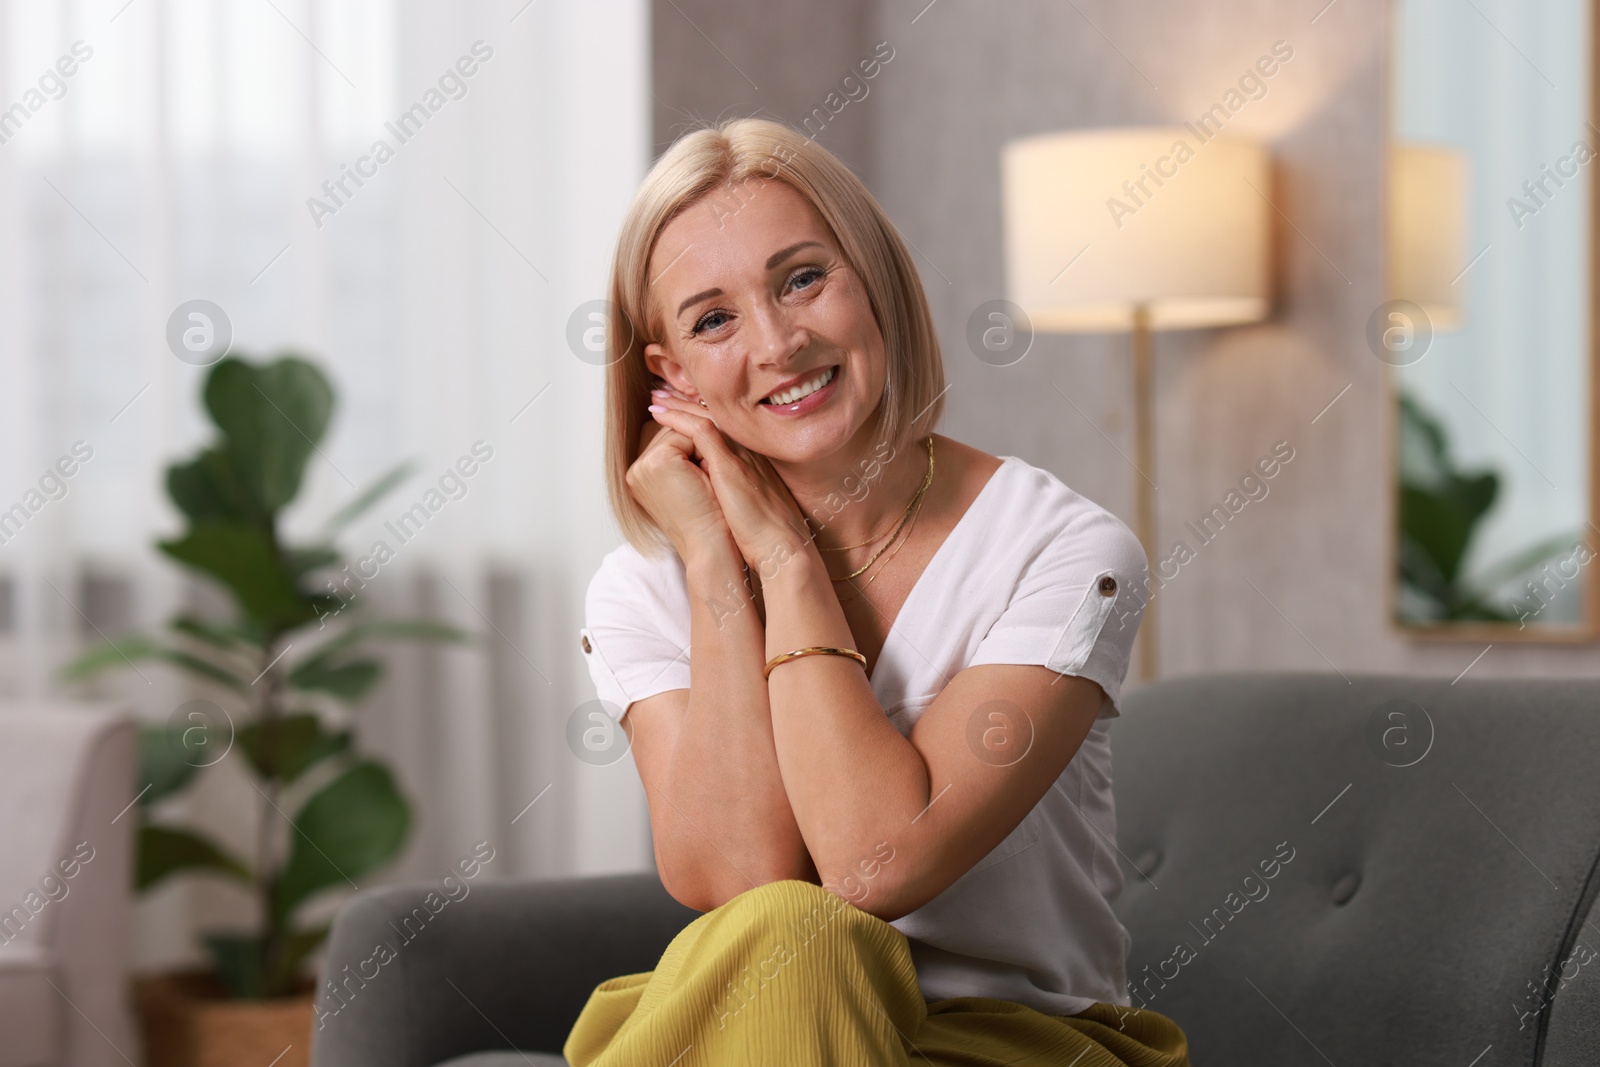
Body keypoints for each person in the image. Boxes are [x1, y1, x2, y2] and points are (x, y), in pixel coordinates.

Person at [567, 116, 1191, 1066]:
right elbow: (738, 875)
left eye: (803, 278)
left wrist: (782, 557)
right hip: (759, 1019)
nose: (777, 342)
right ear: (672, 374)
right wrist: (714, 564)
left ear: (877, 280)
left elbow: (872, 864)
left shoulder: (1064, 550)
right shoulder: (644, 587)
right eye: (713, 319)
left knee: (806, 935)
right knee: (785, 941)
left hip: (1012, 1039)